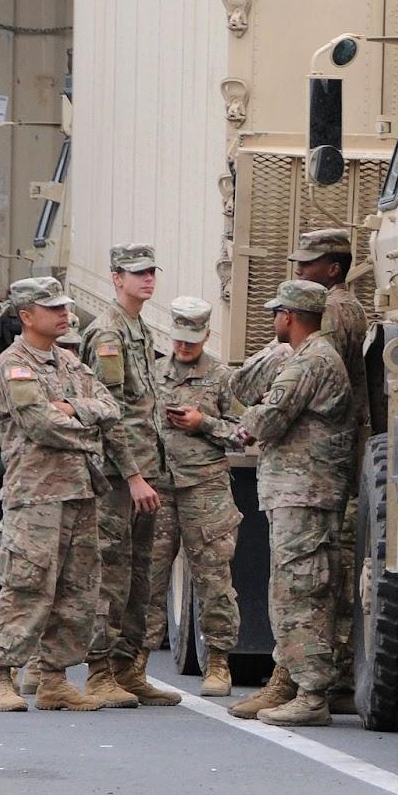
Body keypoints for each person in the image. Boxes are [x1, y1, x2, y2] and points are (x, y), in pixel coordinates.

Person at [0, 277, 120, 713]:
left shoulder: (70, 363)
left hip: (79, 491)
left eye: (64, 307)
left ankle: (54, 678)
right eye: (53, 308)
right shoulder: (14, 366)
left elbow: (111, 408)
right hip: (35, 495)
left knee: (78, 589)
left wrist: (74, 408)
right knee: (27, 584)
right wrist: (89, 432)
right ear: (26, 316)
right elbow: (40, 425)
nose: (64, 314)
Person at [227, 280, 355, 727]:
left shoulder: (312, 360)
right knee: (295, 586)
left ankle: (313, 692)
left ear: (289, 316)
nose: (274, 320)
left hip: (306, 492)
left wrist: (245, 422)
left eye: (276, 313)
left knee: (301, 590)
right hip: (298, 492)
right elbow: (250, 391)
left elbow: (267, 419)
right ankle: (293, 682)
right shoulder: (307, 356)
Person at [78, 243, 176, 708]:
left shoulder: (140, 329)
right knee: (111, 574)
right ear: (116, 278)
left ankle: (128, 669)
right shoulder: (108, 333)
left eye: (151, 271)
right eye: (137, 273)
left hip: (145, 472)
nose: (147, 279)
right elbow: (109, 414)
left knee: (141, 576)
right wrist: (134, 475)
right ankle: (99, 671)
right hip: (120, 477)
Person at [143, 296, 243, 697]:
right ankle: (136, 663)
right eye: (178, 339)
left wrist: (204, 424)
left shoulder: (222, 378)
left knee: (213, 578)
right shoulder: (153, 373)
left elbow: (243, 432)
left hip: (205, 488)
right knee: (148, 577)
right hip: (160, 487)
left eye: (191, 340)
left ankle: (218, 662)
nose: (183, 347)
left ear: (205, 336)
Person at [288, 228, 369, 711]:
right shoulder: (346, 305)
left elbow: (320, 375)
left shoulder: (334, 311)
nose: (299, 268)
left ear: (333, 269)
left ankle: (325, 678)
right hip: (344, 451)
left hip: (329, 455)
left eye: (309, 263)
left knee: (322, 568)